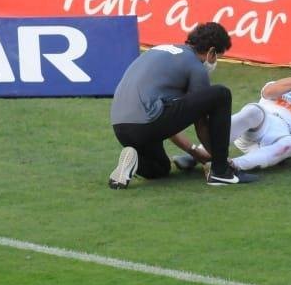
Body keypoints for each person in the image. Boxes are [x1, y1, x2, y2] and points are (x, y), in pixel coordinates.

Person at [108, 23, 258, 189]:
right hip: (148, 122)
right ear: (211, 52)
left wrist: (195, 152)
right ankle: (221, 173)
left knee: (160, 169)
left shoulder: (160, 51)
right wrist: (219, 159)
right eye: (218, 57)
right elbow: (201, 124)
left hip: (121, 128)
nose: (215, 62)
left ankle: (134, 159)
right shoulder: (195, 66)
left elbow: (171, 121)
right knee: (221, 94)